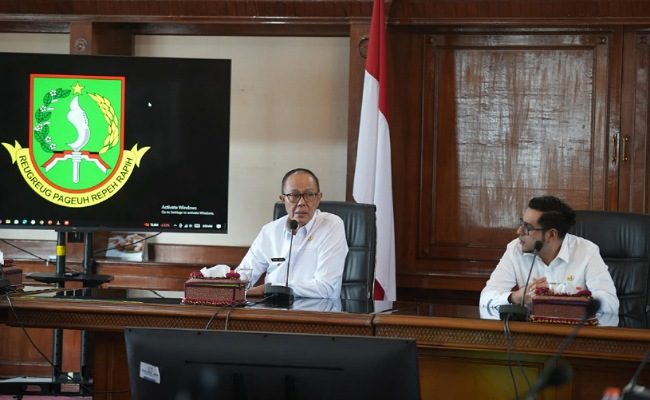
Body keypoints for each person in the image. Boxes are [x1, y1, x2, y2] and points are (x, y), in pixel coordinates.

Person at [479, 196, 619, 315]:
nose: (519, 231)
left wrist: (570, 299)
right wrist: (515, 297)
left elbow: (610, 304)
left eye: (528, 228)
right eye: (521, 223)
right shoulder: (515, 249)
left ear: (551, 234)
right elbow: (486, 298)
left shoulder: (587, 252)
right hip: (530, 333)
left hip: (575, 333)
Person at [236, 168, 348, 298]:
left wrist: (271, 289)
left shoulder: (331, 225)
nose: (301, 203)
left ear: (318, 198)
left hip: (317, 308)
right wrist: (228, 284)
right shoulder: (269, 231)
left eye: (309, 195)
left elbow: (326, 288)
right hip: (271, 307)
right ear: (283, 199)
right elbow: (243, 276)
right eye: (294, 196)